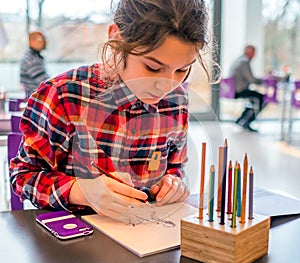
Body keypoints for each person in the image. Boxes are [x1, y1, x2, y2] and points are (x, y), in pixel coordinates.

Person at [10, 0, 214, 222]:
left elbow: (174, 168)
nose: (167, 86)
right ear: (116, 39)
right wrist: (80, 191)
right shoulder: (64, 95)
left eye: (182, 69)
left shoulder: (176, 101)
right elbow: (23, 177)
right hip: (75, 242)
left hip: (147, 238)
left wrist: (172, 184)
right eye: (153, 68)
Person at [229, 45, 265, 132]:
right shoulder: (244, 62)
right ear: (248, 52)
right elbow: (252, 79)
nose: (254, 55)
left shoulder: (239, 60)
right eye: (253, 52)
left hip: (234, 90)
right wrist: (264, 80)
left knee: (254, 99)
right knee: (261, 98)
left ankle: (241, 119)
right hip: (239, 90)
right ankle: (247, 121)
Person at [20, 30, 49, 99]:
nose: (44, 42)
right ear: (31, 42)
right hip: (35, 99)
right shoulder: (31, 59)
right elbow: (44, 82)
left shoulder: (34, 56)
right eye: (40, 40)